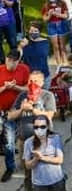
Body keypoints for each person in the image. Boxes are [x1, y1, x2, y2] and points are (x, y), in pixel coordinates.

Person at [9, 70, 56, 191]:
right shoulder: (22, 96)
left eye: (35, 81)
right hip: (25, 140)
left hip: (44, 140)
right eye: (30, 81)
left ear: (42, 83)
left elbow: (49, 116)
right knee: (28, 171)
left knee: (49, 170)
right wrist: (22, 109)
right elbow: (11, 116)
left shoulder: (47, 96)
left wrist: (34, 109)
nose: (32, 84)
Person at [0, 49, 29, 182]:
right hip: (7, 113)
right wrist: (5, 88)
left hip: (22, 110)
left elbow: (29, 88)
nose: (10, 64)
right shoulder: (0, 70)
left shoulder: (24, 69)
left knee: (25, 138)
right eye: (8, 60)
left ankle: (28, 163)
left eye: (14, 61)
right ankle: (10, 167)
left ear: (19, 61)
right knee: (9, 142)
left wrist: (16, 87)